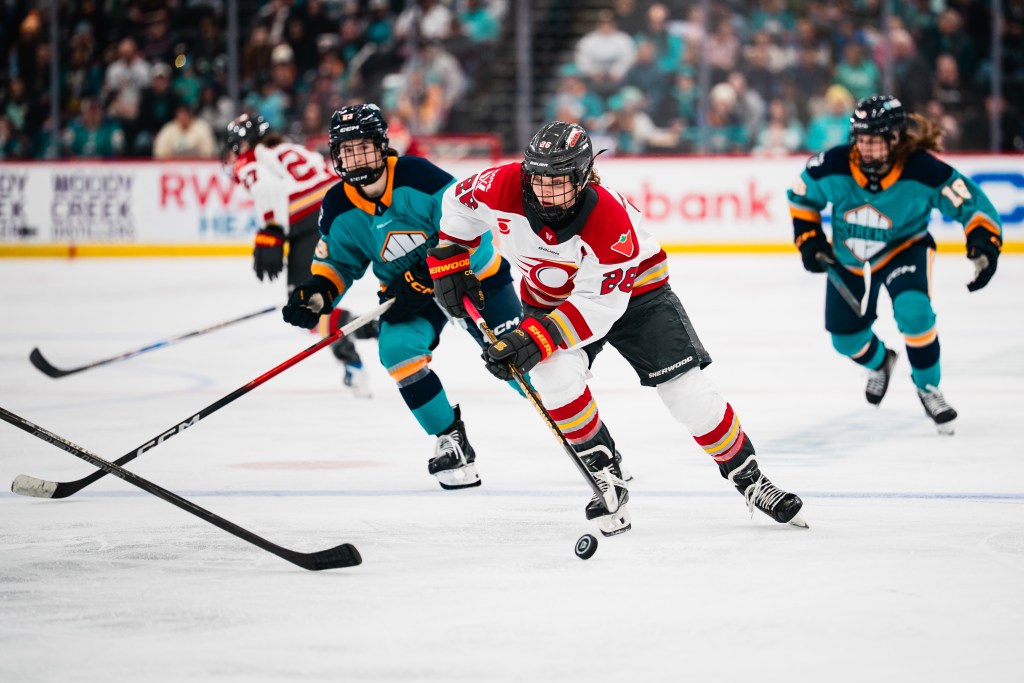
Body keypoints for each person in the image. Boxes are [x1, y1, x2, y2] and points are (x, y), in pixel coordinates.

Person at [426, 121, 807, 537]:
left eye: (557, 181)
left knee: (687, 394)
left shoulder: (610, 219)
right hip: (551, 298)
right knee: (551, 376)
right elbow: (457, 203)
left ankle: (749, 476)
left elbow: (597, 307)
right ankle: (604, 468)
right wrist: (451, 255)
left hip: (638, 297)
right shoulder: (500, 185)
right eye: (537, 179)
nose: (543, 192)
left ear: (583, 176)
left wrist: (530, 337)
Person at [280, 103, 525, 490]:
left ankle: (592, 445)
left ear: (382, 146)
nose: (355, 158)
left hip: (475, 281)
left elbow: (473, 234)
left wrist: (427, 273)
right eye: (346, 150)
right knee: (396, 350)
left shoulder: (419, 177)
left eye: (363, 147)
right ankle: (451, 439)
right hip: (410, 296)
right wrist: (316, 294)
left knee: (522, 365)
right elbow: (339, 263)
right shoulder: (338, 206)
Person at [787, 95, 1002, 434]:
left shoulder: (923, 169)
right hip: (849, 255)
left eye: (874, 140)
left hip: (905, 248)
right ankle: (881, 362)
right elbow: (801, 197)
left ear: (895, 137)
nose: (865, 148)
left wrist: (984, 245)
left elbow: (972, 204)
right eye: (861, 139)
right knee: (845, 340)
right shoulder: (832, 164)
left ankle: (929, 387)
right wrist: (809, 238)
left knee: (914, 311)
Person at [224, 113, 373, 397]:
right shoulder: (288, 148)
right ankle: (352, 359)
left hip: (310, 222)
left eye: (236, 146)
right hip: (340, 210)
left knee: (306, 307)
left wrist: (272, 231)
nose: (235, 154)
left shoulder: (252, 159)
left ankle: (370, 333)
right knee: (315, 300)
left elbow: (269, 189)